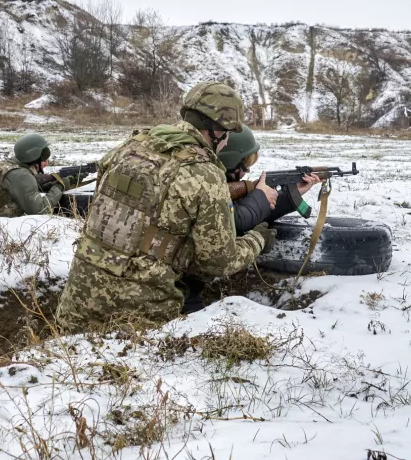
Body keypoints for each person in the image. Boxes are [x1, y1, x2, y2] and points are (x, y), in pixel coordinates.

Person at [55, 81, 275, 332]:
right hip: (138, 320)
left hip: (75, 306)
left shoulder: (130, 146)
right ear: (218, 131)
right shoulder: (205, 174)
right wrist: (258, 240)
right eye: (227, 135)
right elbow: (218, 263)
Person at [217, 125, 320, 235]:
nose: (248, 171)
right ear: (230, 162)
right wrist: (260, 194)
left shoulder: (223, 184)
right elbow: (238, 221)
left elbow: (257, 214)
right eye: (246, 165)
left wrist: (293, 194)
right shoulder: (215, 190)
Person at [0, 133, 80, 218]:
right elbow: (40, 210)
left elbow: (25, 189)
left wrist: (51, 185)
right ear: (33, 159)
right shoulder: (21, 175)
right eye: (44, 160)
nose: (47, 164)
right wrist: (60, 185)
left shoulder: (10, 164)